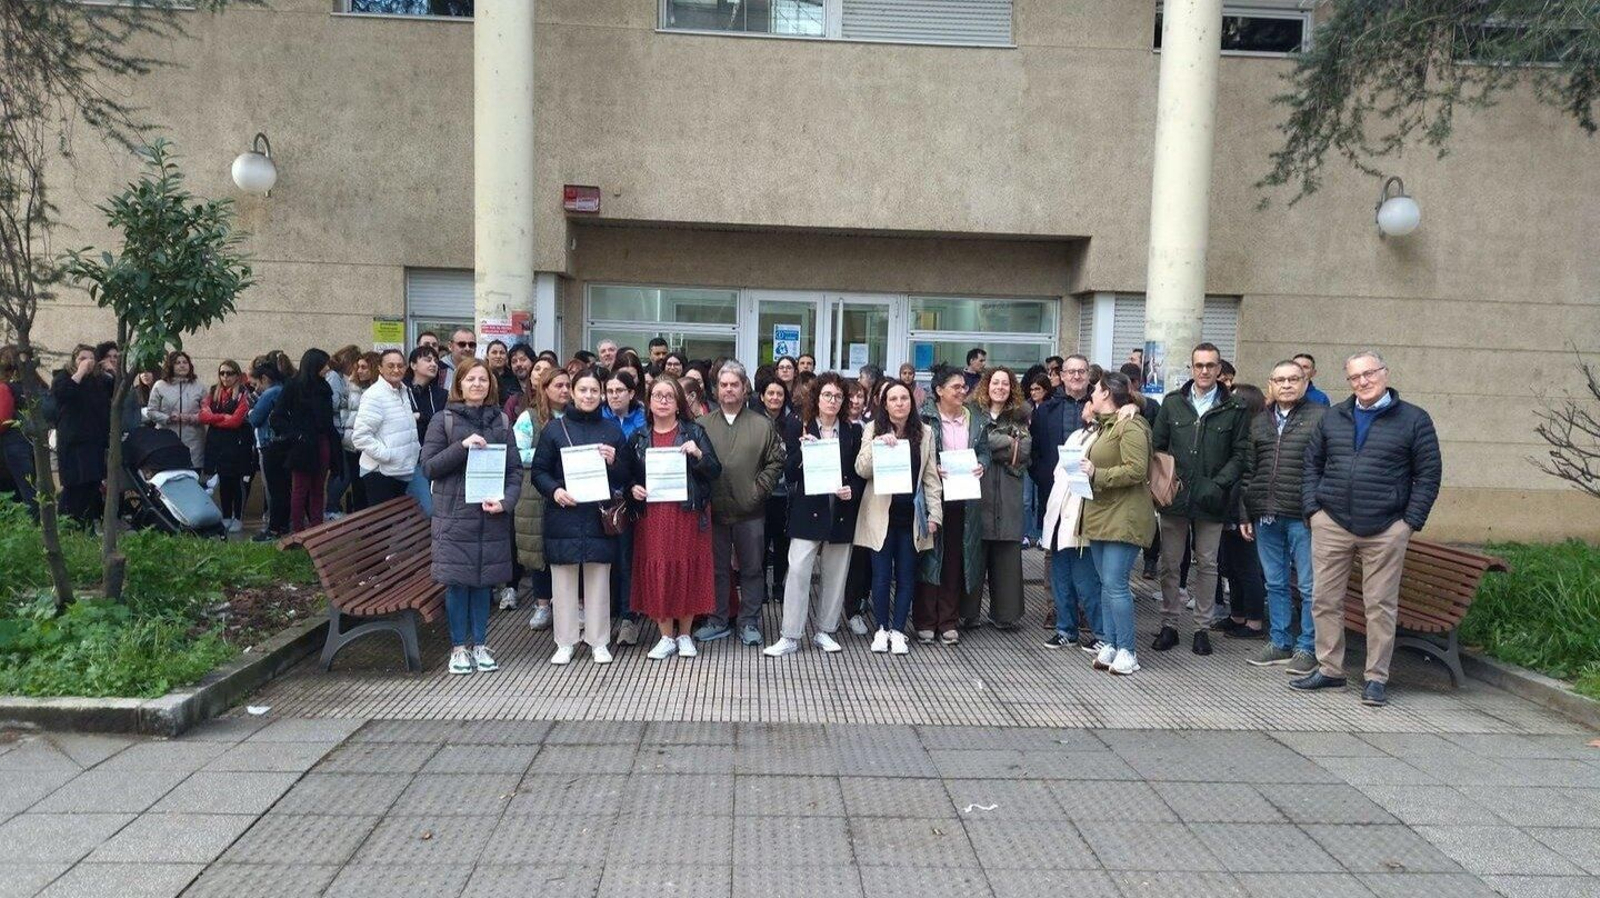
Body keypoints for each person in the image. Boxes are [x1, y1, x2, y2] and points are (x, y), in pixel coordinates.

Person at [1292, 351, 1441, 708]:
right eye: (1355, 376)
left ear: (1384, 373)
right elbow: (1312, 464)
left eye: (1369, 373)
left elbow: (1429, 474)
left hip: (1386, 526)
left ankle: (1376, 678)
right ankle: (1330, 669)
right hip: (1333, 521)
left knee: (1380, 605)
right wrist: (1314, 510)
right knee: (1325, 599)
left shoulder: (1414, 420)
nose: (1362, 381)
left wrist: (1409, 523)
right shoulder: (1334, 417)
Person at [420, 358, 521, 675]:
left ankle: (480, 644)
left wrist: (506, 502)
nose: (478, 384)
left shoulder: (502, 421)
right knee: (458, 583)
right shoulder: (443, 420)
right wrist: (462, 446)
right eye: (471, 379)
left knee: (483, 583)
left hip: (490, 514)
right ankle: (458, 648)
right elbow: (429, 467)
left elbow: (515, 471)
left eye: (483, 379)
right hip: (454, 516)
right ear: (459, 384)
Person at [1150, 342, 1251, 657]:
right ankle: (1169, 623)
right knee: (1169, 562)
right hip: (1175, 498)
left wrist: (1219, 484)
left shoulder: (1235, 408)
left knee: (1207, 564)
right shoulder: (1173, 403)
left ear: (1220, 370)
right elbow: (1158, 447)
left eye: (1211, 365)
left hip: (1212, 497)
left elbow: (1241, 453)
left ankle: (1201, 628)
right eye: (1199, 365)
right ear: (1191, 368)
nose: (1205, 371)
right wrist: (1167, 482)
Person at [532, 366, 633, 665]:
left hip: (598, 514)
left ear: (600, 394)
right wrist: (554, 491)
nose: (588, 395)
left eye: (593, 390)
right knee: (562, 581)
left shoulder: (612, 430)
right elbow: (538, 471)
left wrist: (615, 461)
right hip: (563, 512)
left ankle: (599, 640)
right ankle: (565, 641)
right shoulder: (554, 429)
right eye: (582, 390)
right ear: (572, 393)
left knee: (599, 579)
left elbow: (627, 475)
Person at [764, 372, 863, 657]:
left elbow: (858, 476)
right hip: (809, 511)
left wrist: (851, 491)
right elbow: (790, 472)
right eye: (827, 395)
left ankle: (825, 631)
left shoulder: (852, 431)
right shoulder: (799, 425)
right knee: (797, 571)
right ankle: (790, 635)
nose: (832, 401)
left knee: (835, 574)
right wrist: (804, 451)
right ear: (816, 399)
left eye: (838, 396)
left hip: (840, 511)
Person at [626, 376, 722, 660]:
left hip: (687, 514)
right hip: (653, 516)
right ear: (649, 401)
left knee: (687, 570)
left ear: (679, 402)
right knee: (659, 570)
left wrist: (699, 454)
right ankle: (665, 636)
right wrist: (633, 488)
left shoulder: (694, 431)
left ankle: (685, 635)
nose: (663, 401)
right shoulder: (639, 436)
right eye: (657, 395)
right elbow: (628, 474)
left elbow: (715, 471)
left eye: (669, 396)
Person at [1240, 361, 1326, 674]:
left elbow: (1326, 468)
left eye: (1293, 379)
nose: (1287, 385)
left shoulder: (1321, 418)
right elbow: (1249, 470)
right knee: (1275, 582)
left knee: (1308, 585)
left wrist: (1316, 508)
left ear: (1306, 382)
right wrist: (1245, 512)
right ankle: (1279, 641)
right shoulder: (1260, 421)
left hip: (1302, 516)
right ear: (1270, 385)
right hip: (1265, 514)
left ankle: (1307, 647)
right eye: (1280, 380)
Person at [694, 361, 785, 646]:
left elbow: (775, 461)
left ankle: (749, 622)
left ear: (745, 388)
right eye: (724, 385)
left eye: (735, 384)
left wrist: (759, 490)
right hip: (715, 509)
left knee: (752, 569)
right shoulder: (702, 425)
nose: (729, 389)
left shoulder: (762, 424)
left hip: (751, 510)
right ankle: (719, 619)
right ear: (716, 390)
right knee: (717, 569)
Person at [855, 380, 943, 655]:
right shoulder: (873, 428)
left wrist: (935, 514)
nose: (899, 403)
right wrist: (877, 445)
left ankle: (898, 631)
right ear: (885, 404)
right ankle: (881, 628)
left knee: (906, 576)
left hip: (911, 516)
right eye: (893, 399)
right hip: (881, 514)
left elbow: (930, 478)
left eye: (904, 398)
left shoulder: (925, 432)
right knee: (881, 576)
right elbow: (861, 469)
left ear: (911, 401)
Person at [1080, 371, 1156, 675]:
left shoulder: (1131, 425)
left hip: (1124, 516)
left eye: (1096, 390)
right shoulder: (1106, 425)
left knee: (1116, 584)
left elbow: (1137, 470)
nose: (1092, 395)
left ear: (1108, 394)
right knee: (1106, 585)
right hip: (1101, 513)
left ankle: (1128, 649)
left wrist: (1096, 474)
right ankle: (1110, 643)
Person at [916, 365, 988, 644]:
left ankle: (948, 620)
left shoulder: (975, 419)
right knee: (929, 557)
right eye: (956, 387)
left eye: (963, 387)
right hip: (933, 496)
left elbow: (984, 450)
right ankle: (924, 619)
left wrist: (982, 464)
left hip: (964, 498)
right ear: (939, 391)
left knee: (954, 559)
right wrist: (931, 465)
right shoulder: (925, 418)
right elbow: (915, 451)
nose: (962, 391)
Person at [969, 367, 1031, 630]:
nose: (1000, 387)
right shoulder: (972, 413)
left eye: (1005, 383)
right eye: (995, 382)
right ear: (986, 385)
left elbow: (1025, 449)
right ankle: (968, 613)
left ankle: (1005, 615)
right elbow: (972, 443)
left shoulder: (1020, 414)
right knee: (973, 553)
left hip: (1008, 493)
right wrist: (1007, 441)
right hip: (977, 492)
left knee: (1006, 556)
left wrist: (989, 446)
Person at [1040, 393, 1102, 651]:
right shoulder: (1076, 435)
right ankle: (1066, 629)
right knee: (1061, 578)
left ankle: (1101, 632)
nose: (1085, 408)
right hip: (1059, 511)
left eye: (1089, 403)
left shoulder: (1105, 436)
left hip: (1081, 513)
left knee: (1086, 580)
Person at [514, 367, 570, 631]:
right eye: (558, 385)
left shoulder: (575, 416)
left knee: (562, 547)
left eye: (567, 385)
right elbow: (516, 453)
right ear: (544, 388)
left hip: (567, 490)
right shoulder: (529, 417)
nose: (564, 390)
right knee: (537, 549)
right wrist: (549, 454)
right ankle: (542, 605)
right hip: (535, 491)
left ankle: (567, 605)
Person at [1213, 382, 1268, 639]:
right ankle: (1237, 615)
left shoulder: (1256, 434)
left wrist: (1242, 513)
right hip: (1228, 510)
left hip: (1246, 511)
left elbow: (1249, 477)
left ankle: (1254, 621)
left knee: (1247, 568)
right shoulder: (1237, 432)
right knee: (1231, 566)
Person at [270, 349, 338, 533]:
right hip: (302, 444)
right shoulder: (294, 386)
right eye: (324, 364)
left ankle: (317, 528)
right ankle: (298, 531)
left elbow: (328, 419)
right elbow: (277, 416)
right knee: (300, 488)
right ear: (314, 365)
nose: (327, 368)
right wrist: (295, 434)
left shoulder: (325, 387)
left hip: (322, 441)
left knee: (318, 487)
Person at [602, 369, 647, 643]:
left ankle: (630, 617)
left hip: (633, 498)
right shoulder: (598, 420)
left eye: (620, 391)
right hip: (601, 498)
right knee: (604, 561)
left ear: (632, 393)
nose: (614, 395)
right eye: (610, 391)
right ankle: (604, 619)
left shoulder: (643, 422)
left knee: (627, 558)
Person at [1028, 355, 1093, 543]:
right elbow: (1034, 448)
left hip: (1091, 486)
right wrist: (1043, 476)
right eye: (1071, 371)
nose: (1076, 376)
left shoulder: (1101, 406)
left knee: (1086, 544)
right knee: (1055, 545)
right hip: (1054, 485)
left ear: (1088, 375)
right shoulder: (1046, 409)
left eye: (1081, 371)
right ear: (1062, 376)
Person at [50, 344, 113, 526]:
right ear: (74, 360)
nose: (87, 362)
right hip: (73, 442)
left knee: (92, 484)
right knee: (74, 484)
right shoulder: (64, 378)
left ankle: (85, 525)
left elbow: (118, 394)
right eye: (82, 358)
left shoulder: (99, 381)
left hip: (94, 441)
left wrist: (113, 372)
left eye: (91, 359)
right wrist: (79, 372)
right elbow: (63, 394)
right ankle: (65, 523)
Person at [349, 348, 421, 506]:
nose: (396, 369)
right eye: (391, 366)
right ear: (380, 368)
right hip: (379, 473)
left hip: (401, 470)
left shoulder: (403, 391)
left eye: (400, 365)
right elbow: (360, 437)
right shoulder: (374, 395)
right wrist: (388, 455)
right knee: (384, 526)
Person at [198, 360, 254, 533]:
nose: (225, 377)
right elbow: (203, 416)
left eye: (229, 373)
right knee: (223, 481)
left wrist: (216, 418)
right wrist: (223, 418)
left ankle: (238, 517)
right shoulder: (214, 391)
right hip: (218, 444)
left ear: (237, 374)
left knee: (236, 481)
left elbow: (237, 421)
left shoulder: (243, 393)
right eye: (222, 373)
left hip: (237, 444)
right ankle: (226, 515)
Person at [755, 377, 794, 604]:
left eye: (779, 394)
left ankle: (779, 584)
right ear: (762, 396)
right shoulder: (754, 421)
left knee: (782, 543)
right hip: (760, 491)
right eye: (770, 393)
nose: (775, 398)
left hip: (784, 493)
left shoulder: (792, 422)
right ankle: (760, 587)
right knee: (760, 542)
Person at [248, 361, 290, 540]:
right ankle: (283, 525)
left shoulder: (271, 392)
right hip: (285, 445)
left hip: (269, 445)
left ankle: (274, 528)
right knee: (284, 488)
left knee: (274, 489)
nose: (256, 388)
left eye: (257, 384)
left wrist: (250, 410)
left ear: (264, 378)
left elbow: (255, 419)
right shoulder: (286, 389)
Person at [406, 346, 448, 516]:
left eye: (435, 361)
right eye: (427, 360)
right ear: (413, 365)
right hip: (411, 459)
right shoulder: (401, 390)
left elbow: (442, 421)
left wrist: (420, 417)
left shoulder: (441, 394)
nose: (433, 364)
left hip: (435, 456)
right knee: (427, 509)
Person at [147, 350, 206, 470]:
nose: (182, 365)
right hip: (166, 441)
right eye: (178, 363)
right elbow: (151, 411)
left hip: (193, 442)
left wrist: (191, 418)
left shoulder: (199, 386)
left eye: (185, 362)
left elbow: (207, 412)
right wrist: (167, 418)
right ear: (170, 366)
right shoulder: (160, 385)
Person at [0, 346, 40, 516]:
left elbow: (3, 420)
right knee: (30, 488)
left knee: (24, 491)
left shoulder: (5, 388)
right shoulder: (34, 385)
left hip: (13, 444)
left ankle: (33, 523)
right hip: (33, 442)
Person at [321, 345, 360, 518]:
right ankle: (331, 508)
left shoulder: (336, 376)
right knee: (344, 473)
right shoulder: (335, 377)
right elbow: (333, 403)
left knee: (340, 472)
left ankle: (332, 507)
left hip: (339, 431)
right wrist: (347, 399)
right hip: (337, 431)